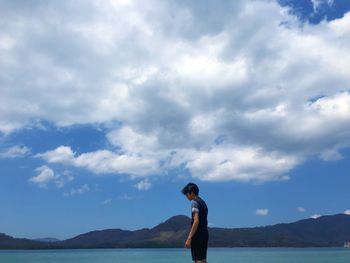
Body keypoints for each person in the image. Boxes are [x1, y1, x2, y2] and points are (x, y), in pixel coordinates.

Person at [181, 182, 209, 263]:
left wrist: (189, 238)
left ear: (191, 193)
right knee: (203, 259)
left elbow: (196, 221)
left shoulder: (194, 203)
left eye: (187, 194)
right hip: (205, 233)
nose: (186, 196)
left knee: (198, 260)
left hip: (198, 235)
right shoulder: (203, 203)